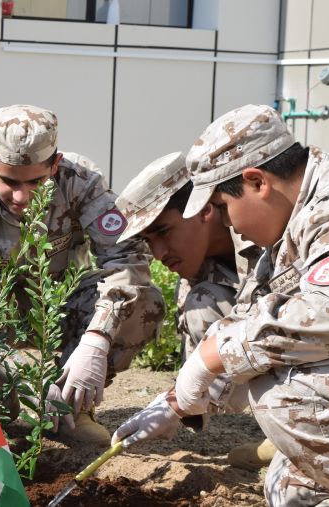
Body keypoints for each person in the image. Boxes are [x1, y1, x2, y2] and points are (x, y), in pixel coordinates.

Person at [113, 104, 329, 506]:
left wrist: (212, 356)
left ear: (257, 181)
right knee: (290, 491)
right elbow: (256, 306)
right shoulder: (298, 212)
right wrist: (176, 401)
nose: (224, 222)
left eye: (223, 207)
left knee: (290, 399)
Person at [0, 104, 164, 444]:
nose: (21, 197)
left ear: (55, 163)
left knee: (144, 300)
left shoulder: (82, 184)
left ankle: (72, 405)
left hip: (57, 304)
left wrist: (96, 341)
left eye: (36, 181)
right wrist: (17, 372)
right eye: (8, 181)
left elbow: (125, 259)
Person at [115, 152, 274, 470]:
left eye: (163, 232)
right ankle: (286, 432)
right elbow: (220, 358)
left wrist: (175, 404)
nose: (158, 253)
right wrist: (179, 402)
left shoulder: (263, 229)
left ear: (202, 209)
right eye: (149, 241)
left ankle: (308, 435)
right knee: (202, 304)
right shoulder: (197, 280)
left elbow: (296, 324)